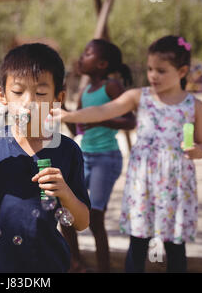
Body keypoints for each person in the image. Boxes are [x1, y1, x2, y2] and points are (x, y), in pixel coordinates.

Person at [53, 35, 202, 273]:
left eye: (161, 70)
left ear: (182, 71)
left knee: (175, 245)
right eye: (149, 69)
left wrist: (196, 151)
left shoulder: (195, 105)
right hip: (142, 183)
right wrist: (69, 116)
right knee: (138, 242)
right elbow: (103, 111)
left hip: (176, 184)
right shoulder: (140, 97)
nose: (153, 75)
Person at [0, 43, 91, 273]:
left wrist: (66, 193)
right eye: (18, 92)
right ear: (2, 95)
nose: (28, 101)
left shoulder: (67, 151)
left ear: (57, 98)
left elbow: (81, 222)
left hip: (49, 266)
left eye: (40, 93)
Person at [63, 39, 136, 273]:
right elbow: (77, 130)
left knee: (95, 217)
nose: (82, 57)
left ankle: (104, 268)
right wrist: (64, 108)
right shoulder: (84, 92)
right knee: (65, 212)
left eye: (87, 53)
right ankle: (75, 264)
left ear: (102, 63)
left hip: (107, 158)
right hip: (85, 157)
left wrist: (101, 118)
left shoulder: (111, 86)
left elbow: (131, 120)